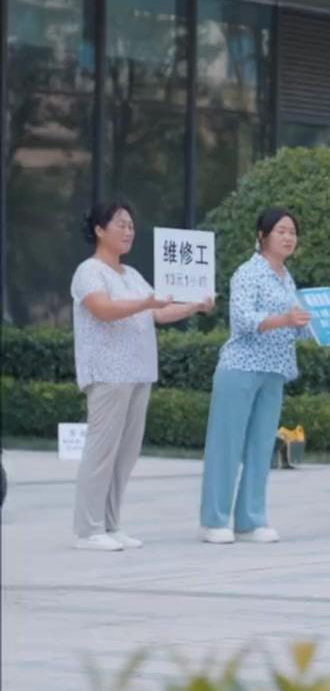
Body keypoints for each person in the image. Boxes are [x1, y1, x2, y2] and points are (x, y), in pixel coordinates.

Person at [70, 198, 212, 551]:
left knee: (125, 453)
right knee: (102, 451)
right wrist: (147, 303)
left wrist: (195, 306)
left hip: (139, 371)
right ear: (99, 230)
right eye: (120, 224)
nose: (128, 231)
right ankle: (88, 530)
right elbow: (103, 309)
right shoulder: (89, 271)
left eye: (131, 226)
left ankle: (111, 524)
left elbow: (158, 312)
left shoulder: (131, 275)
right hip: (108, 372)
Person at [200, 207, 309, 544]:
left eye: (292, 232)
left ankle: (250, 520)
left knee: (261, 446)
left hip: (275, 370)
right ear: (262, 236)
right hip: (241, 367)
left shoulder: (287, 278)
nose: (288, 237)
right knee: (226, 446)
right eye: (281, 231)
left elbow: (299, 328)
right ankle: (214, 521)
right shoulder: (247, 273)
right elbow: (244, 319)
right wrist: (285, 319)